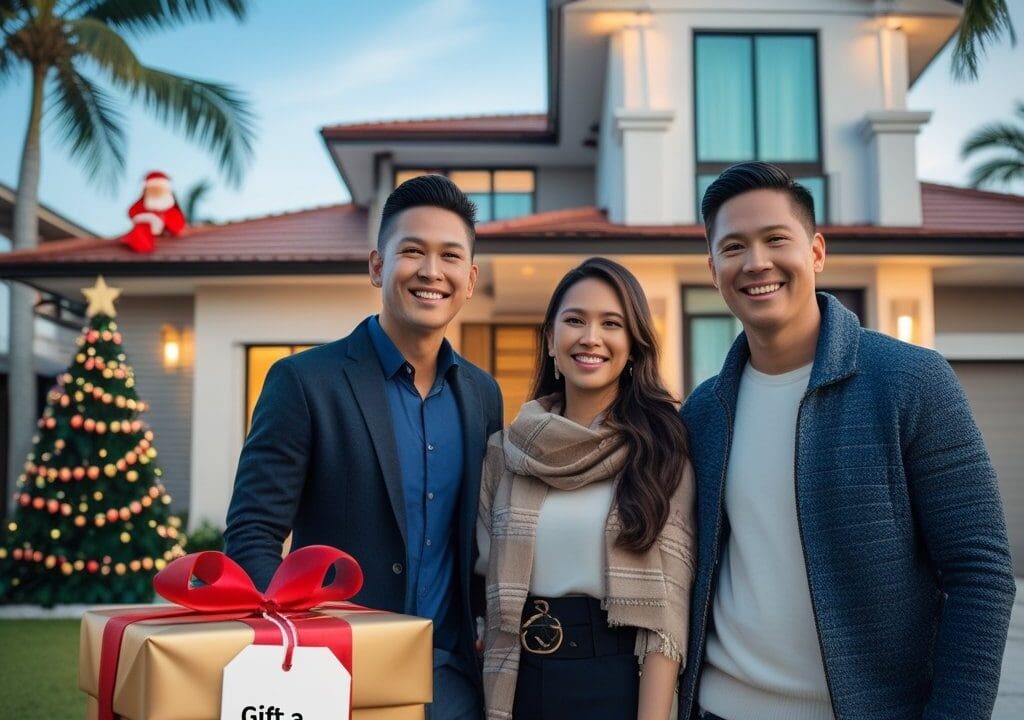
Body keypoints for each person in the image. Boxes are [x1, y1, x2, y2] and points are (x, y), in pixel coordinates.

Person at [679, 161, 1016, 720]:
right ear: (713, 269)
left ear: (815, 252)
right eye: (733, 247)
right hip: (719, 708)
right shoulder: (703, 412)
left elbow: (979, 572)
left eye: (776, 239)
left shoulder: (910, 381)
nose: (756, 262)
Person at [224, 174, 503, 720]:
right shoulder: (304, 382)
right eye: (412, 251)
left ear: (469, 279)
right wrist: (304, 643)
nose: (431, 271)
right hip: (335, 676)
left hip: (453, 684)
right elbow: (252, 535)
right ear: (378, 266)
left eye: (450, 256)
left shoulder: (483, 395)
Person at [477, 257, 696, 720]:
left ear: (632, 346)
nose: (591, 337)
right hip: (521, 681)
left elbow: (667, 616)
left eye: (611, 324)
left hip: (616, 682)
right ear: (550, 341)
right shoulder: (506, 452)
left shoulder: (660, 450)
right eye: (575, 320)